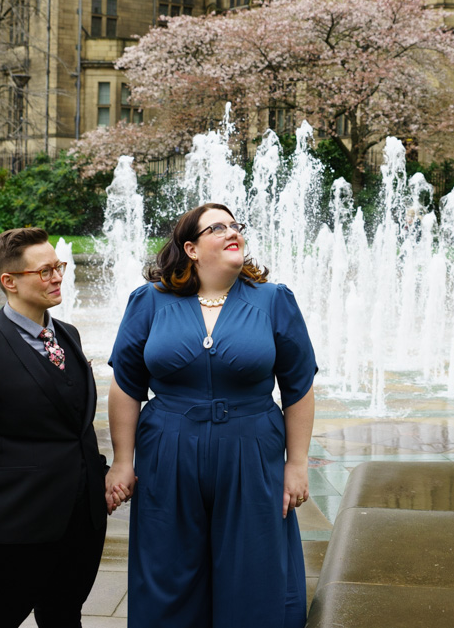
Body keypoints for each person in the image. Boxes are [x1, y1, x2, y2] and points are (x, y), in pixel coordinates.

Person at [106, 202, 317, 628]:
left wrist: (296, 465)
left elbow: (299, 387)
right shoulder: (149, 301)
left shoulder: (274, 300)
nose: (232, 231)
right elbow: (126, 385)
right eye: (217, 228)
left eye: (235, 225)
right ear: (191, 248)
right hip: (167, 453)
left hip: (251, 452)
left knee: (253, 569)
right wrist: (123, 461)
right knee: (168, 570)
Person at [0, 227, 109, 628]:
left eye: (59, 267)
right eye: (45, 271)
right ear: (10, 281)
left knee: (65, 621)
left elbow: (75, 428)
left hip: (79, 529)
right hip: (14, 534)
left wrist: (101, 479)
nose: (57, 277)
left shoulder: (68, 335)